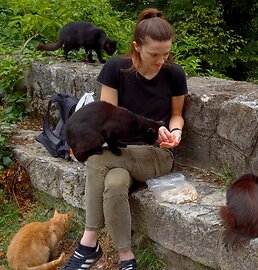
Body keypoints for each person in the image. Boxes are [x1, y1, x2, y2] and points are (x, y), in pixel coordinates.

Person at [62, 8, 187, 270]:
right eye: (154, 54)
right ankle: (126, 258)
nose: (161, 61)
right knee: (115, 184)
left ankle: (88, 246)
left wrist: (175, 133)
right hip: (118, 152)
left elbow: (176, 116)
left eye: (166, 54)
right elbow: (106, 120)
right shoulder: (115, 69)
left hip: (156, 154)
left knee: (96, 162)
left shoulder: (175, 74)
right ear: (136, 47)